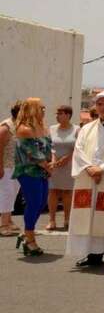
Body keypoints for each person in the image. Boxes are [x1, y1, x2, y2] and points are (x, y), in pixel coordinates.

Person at [67, 91, 104, 267]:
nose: (103, 107)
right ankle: (92, 253)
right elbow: (79, 150)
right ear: (96, 107)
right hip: (88, 177)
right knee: (87, 216)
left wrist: (102, 169)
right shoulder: (86, 128)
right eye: (100, 104)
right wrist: (89, 168)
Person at [12, 98, 52, 256]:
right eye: (40, 108)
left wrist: (51, 162)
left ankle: (25, 233)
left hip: (43, 171)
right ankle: (30, 239)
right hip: (28, 172)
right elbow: (33, 154)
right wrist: (47, 165)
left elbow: (49, 149)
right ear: (32, 109)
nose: (43, 111)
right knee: (34, 203)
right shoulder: (24, 129)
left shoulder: (43, 128)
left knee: (42, 203)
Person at [47, 105, 78, 231]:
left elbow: (78, 148)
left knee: (67, 192)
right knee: (53, 191)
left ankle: (67, 219)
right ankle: (52, 220)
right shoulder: (52, 129)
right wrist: (53, 159)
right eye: (57, 113)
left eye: (60, 113)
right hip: (55, 165)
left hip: (70, 165)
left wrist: (68, 158)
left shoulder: (77, 129)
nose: (57, 116)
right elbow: (50, 146)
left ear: (68, 115)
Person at [0, 101, 22, 236]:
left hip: (16, 166)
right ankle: (3, 225)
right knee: (6, 194)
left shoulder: (18, 125)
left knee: (13, 193)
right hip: (6, 166)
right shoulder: (6, 127)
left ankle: (9, 220)